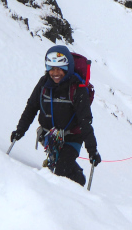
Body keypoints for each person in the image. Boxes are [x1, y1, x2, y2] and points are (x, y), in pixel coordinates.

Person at [11, 45, 101, 186]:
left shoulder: (77, 88)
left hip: (72, 137)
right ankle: (72, 172)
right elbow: (31, 108)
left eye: (60, 69)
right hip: (50, 136)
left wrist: (92, 150)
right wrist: (20, 130)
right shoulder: (43, 84)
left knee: (59, 173)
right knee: (58, 168)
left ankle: (78, 181)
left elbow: (85, 120)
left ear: (68, 67)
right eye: (52, 68)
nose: (55, 73)